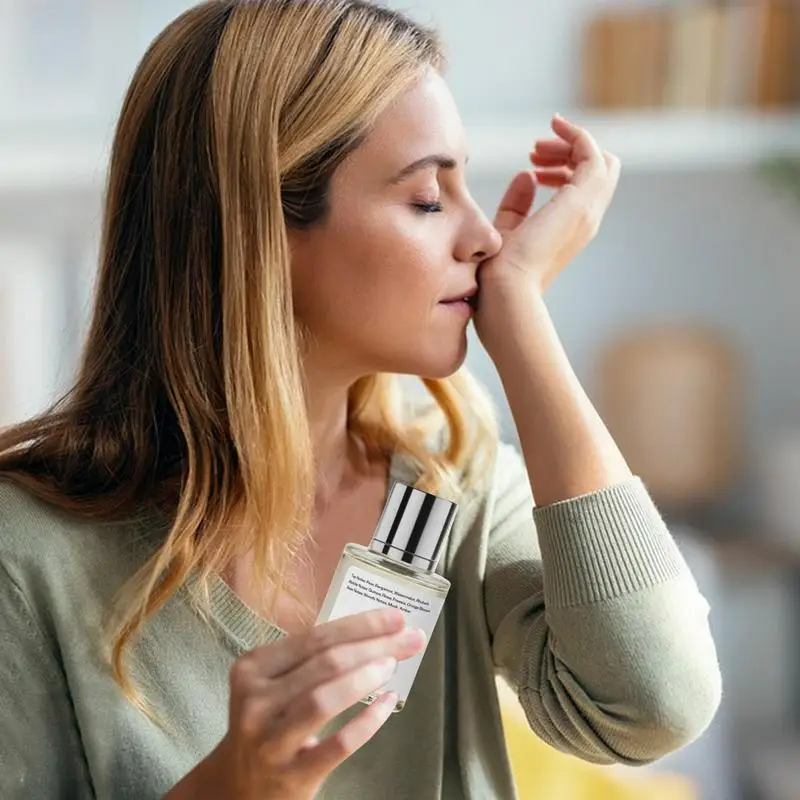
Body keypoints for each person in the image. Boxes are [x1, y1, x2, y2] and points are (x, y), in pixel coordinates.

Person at [0, 1, 721, 798]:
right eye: (426, 199)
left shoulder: (452, 484)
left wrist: (520, 315)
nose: (484, 237)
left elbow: (654, 707)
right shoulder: (28, 555)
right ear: (259, 230)